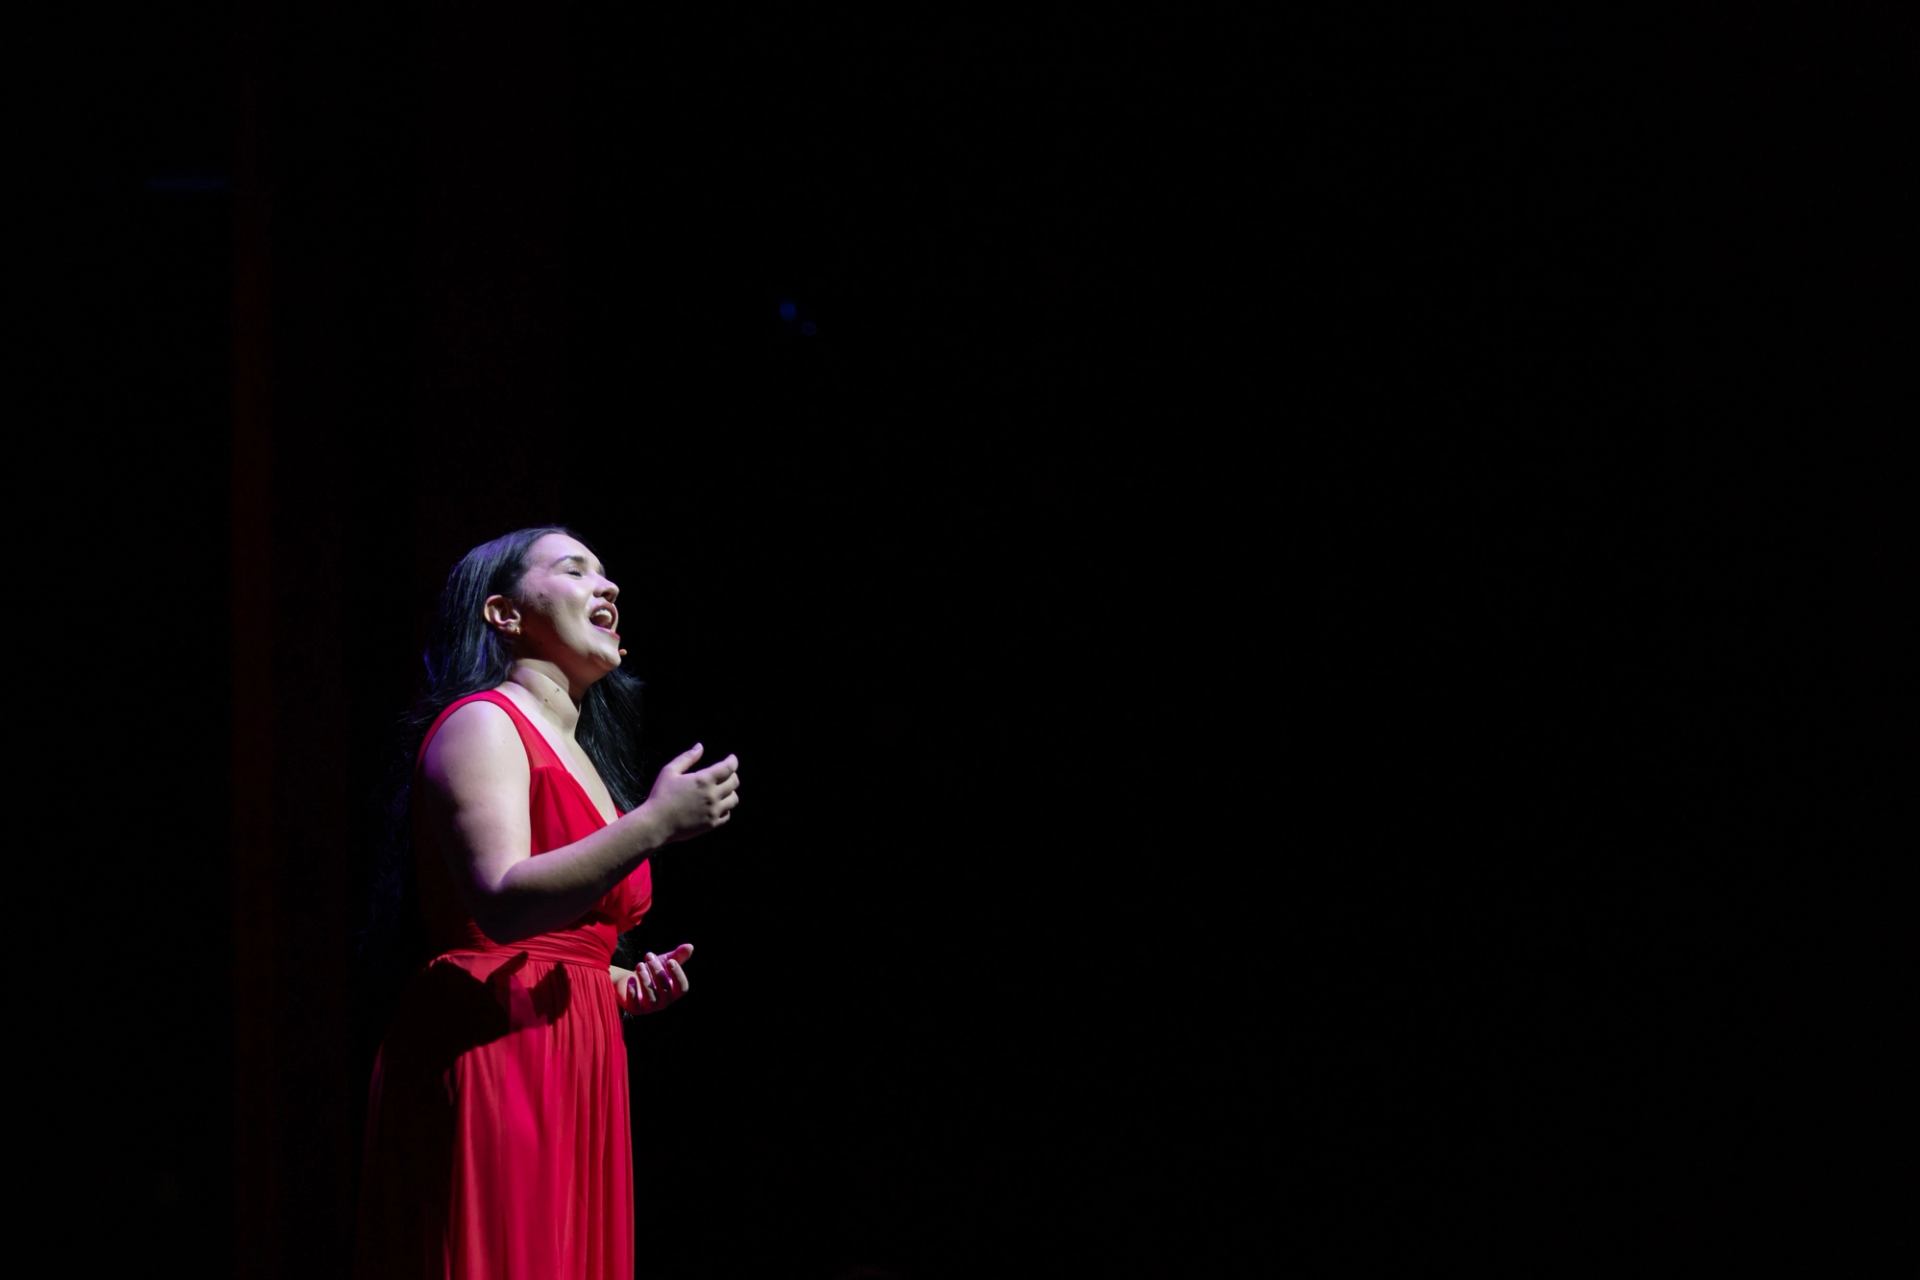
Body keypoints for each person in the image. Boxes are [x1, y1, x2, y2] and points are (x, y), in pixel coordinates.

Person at [354, 525, 740, 1279]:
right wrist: (654, 823)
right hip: (499, 1042)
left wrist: (618, 982)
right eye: (575, 570)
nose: (609, 587)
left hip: (578, 1045)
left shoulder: (586, 758)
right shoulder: (484, 722)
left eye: (606, 574)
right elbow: (499, 903)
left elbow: (567, 933)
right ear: (504, 614)